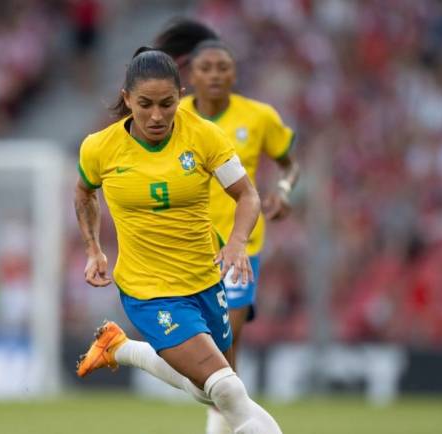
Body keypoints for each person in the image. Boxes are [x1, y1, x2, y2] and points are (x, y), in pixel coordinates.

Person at [74, 47, 282, 434]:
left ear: (180, 95)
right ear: (127, 99)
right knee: (229, 390)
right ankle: (123, 347)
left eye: (167, 103)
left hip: (205, 279)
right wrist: (93, 249)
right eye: (145, 104)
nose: (157, 115)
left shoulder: (203, 135)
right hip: (148, 291)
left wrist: (237, 242)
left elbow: (248, 195)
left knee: (214, 392)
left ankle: (121, 349)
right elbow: (84, 193)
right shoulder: (99, 148)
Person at [154, 19, 300, 434]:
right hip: (184, 246)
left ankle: (219, 425)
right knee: (203, 356)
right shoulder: (172, 116)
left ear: (235, 74)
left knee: (225, 345)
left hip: (239, 246)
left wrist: (285, 190)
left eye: (224, 68)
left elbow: (290, 163)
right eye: (207, 68)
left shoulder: (259, 117)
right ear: (190, 76)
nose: (216, 75)